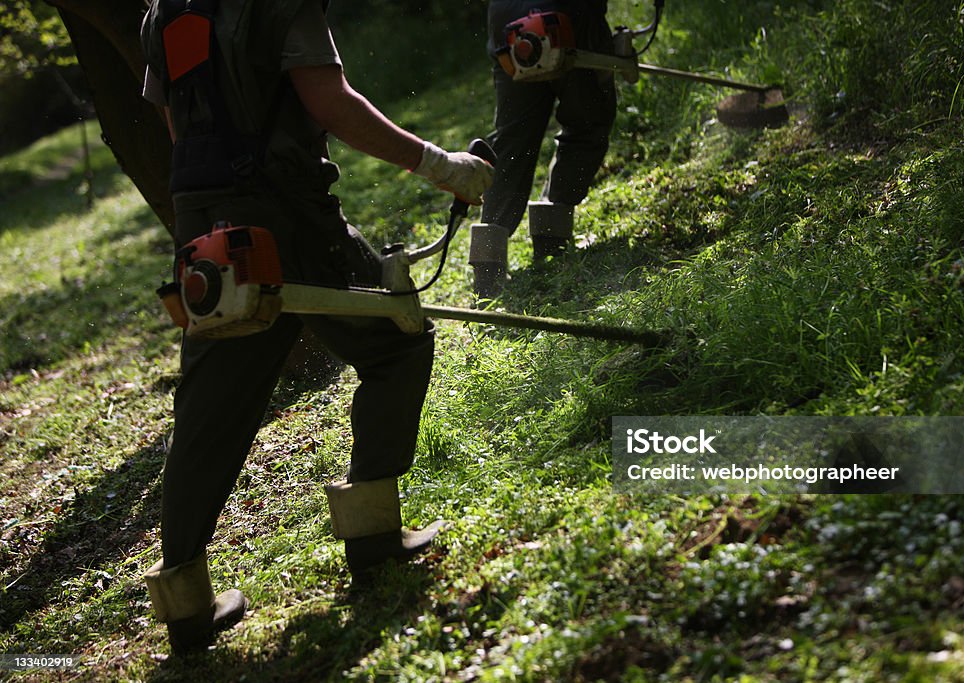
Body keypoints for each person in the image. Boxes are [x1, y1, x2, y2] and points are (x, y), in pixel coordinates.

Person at [138, 0, 493, 655]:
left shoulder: (163, 13)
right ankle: (374, 536)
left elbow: (177, 132)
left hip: (205, 239)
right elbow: (330, 101)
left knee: (206, 414)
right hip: (286, 217)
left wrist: (214, 212)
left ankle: (184, 605)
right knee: (397, 342)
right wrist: (440, 165)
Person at [469, 0, 617, 298]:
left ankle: (487, 264)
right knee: (587, 122)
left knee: (512, 141)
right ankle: (552, 238)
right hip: (571, 14)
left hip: (505, 16)